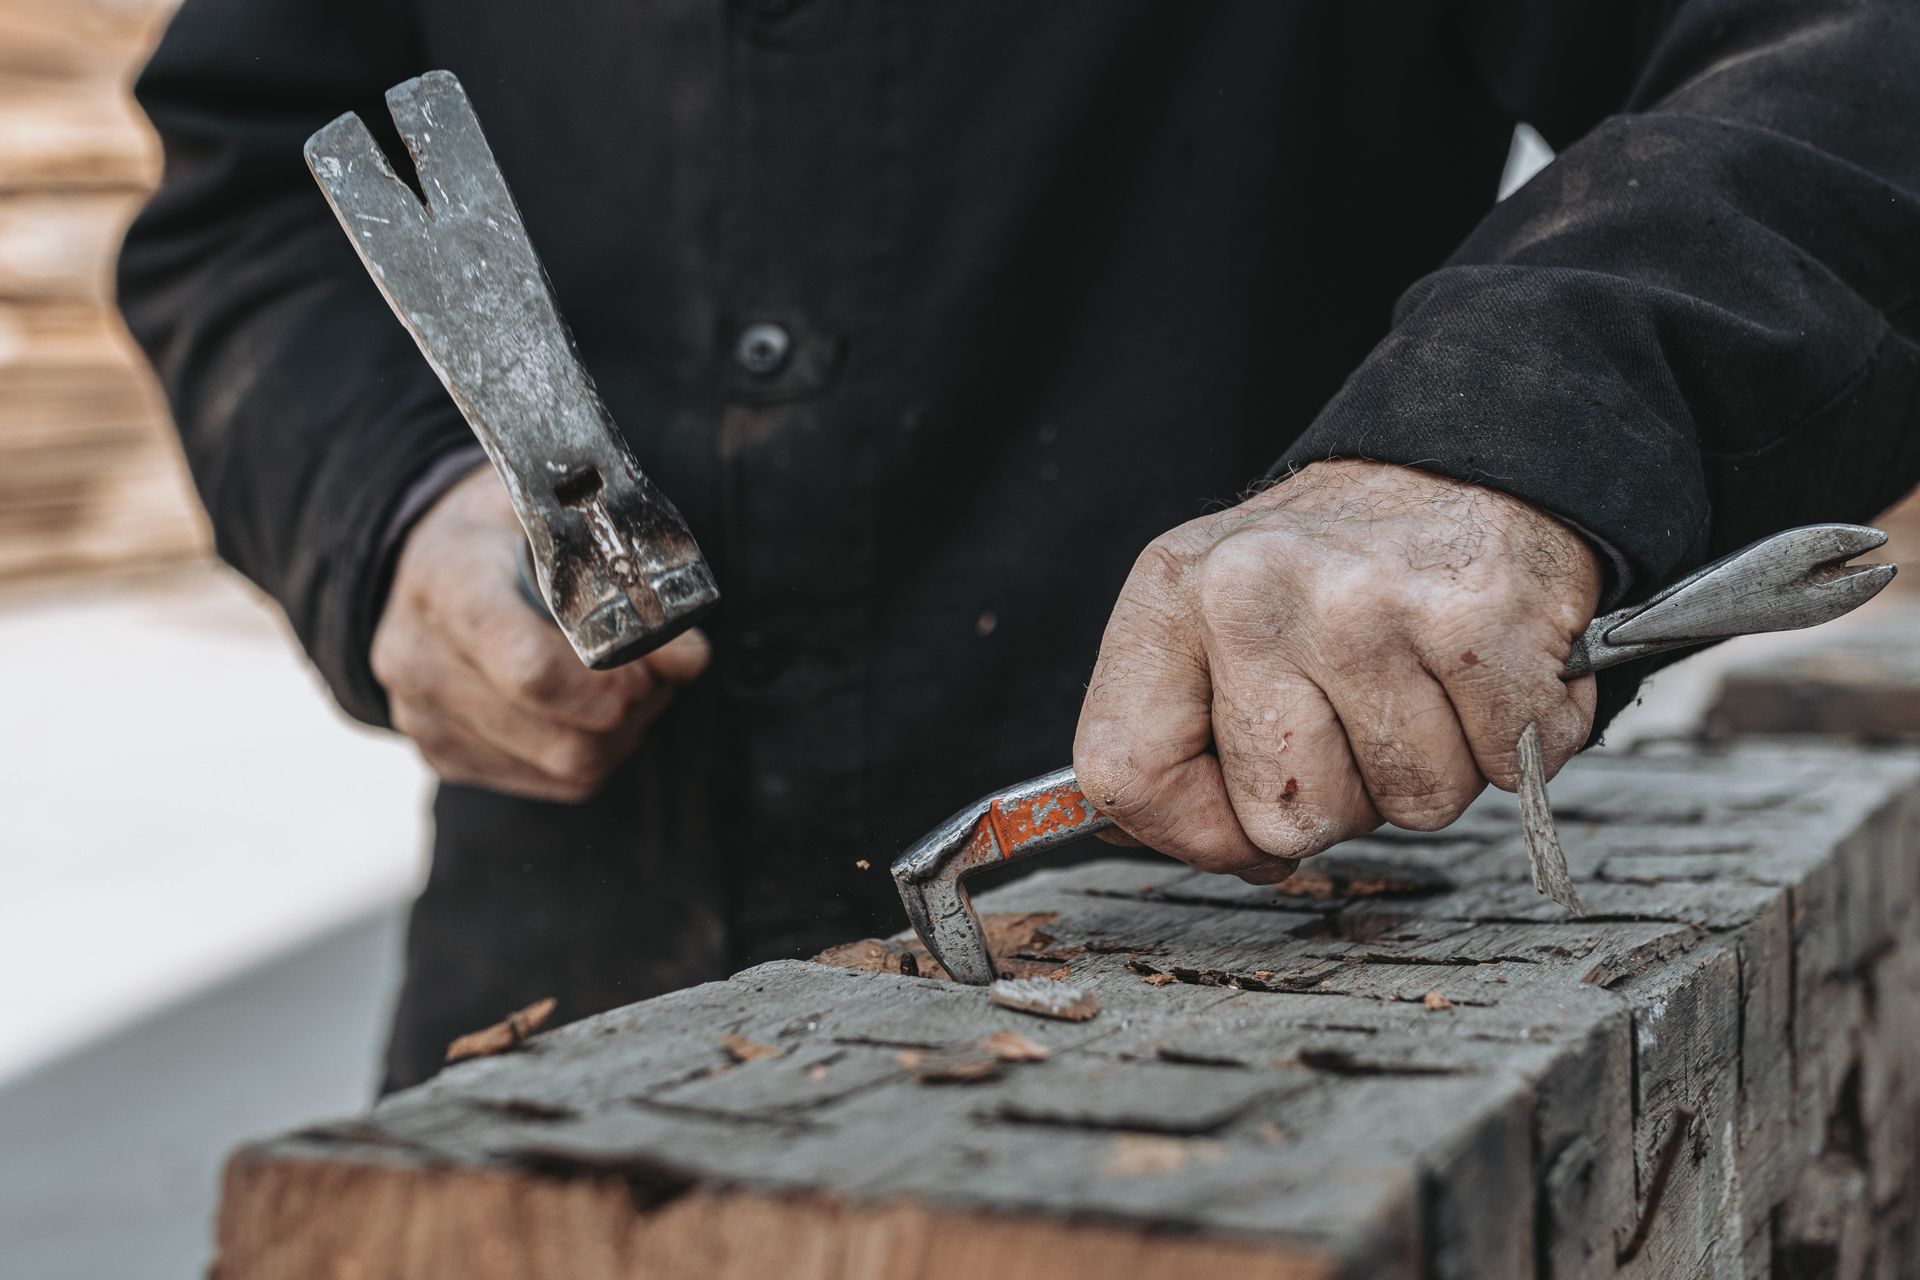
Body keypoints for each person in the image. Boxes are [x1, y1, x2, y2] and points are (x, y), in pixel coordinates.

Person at [118, 0, 1920, 1092]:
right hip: (553, 984)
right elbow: (246, 196)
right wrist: (388, 505)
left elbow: (1851, 59)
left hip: (1252, 987)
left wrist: (1502, 437)